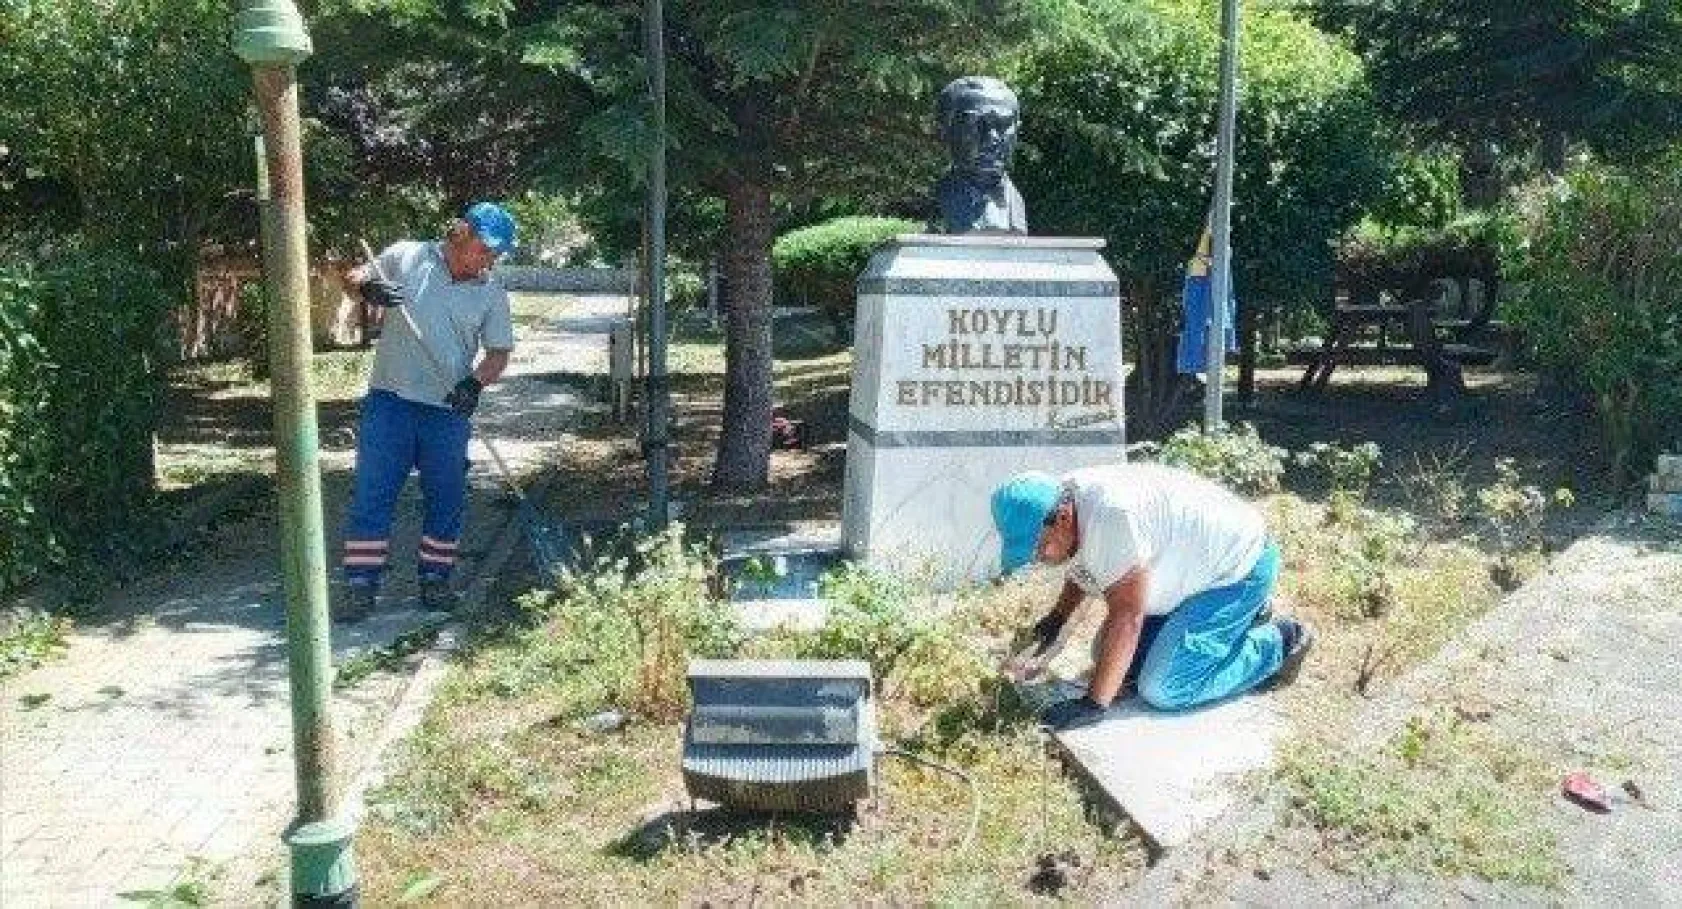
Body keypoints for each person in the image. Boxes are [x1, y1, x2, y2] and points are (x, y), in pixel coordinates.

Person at [991, 463, 1315, 730]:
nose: (1039, 557)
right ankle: (1239, 622)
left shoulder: (1113, 519)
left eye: (1038, 547)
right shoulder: (1061, 500)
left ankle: (1279, 642)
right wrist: (1057, 618)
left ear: (1062, 519)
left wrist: (1093, 705)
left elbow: (1127, 618)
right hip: (1194, 570)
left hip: (1238, 569)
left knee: (1164, 688)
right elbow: (1083, 563)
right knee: (1104, 653)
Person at [337, 202, 517, 621]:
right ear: (460, 233)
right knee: (372, 495)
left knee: (447, 498)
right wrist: (367, 290)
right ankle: (360, 585)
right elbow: (353, 277)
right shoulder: (407, 256)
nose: (489, 259)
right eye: (485, 249)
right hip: (390, 402)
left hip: (446, 411)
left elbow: (498, 354)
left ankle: (436, 579)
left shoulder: (491, 292)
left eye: (496, 253)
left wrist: (474, 384)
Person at [932, 76, 1028, 235]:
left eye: (1003, 124)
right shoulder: (939, 200)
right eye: (976, 124)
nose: (992, 138)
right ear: (944, 132)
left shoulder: (1017, 204)